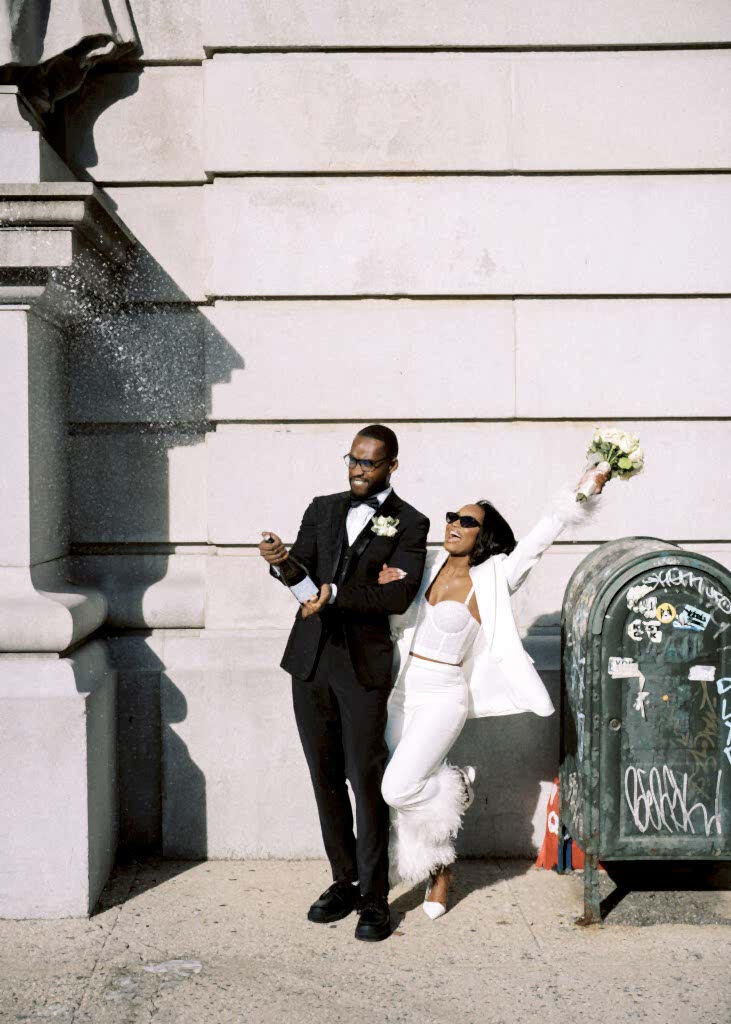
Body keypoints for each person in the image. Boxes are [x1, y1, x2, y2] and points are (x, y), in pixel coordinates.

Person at [378, 469, 605, 919]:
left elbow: (540, 539)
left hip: (444, 696)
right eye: (451, 517)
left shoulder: (495, 578)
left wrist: (584, 489)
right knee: (408, 793)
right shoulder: (422, 567)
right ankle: (438, 869)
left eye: (467, 521)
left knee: (397, 787)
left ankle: (457, 784)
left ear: (484, 537)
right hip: (400, 692)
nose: (454, 525)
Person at [259, 425, 429, 942]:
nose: (358, 470)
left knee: (366, 777)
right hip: (310, 660)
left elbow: (394, 601)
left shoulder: (410, 523)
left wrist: (335, 593)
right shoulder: (323, 507)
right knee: (325, 775)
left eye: (370, 463)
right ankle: (344, 881)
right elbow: (303, 573)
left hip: (362, 667)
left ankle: (376, 898)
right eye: (353, 460)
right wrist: (283, 563)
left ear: (392, 466)